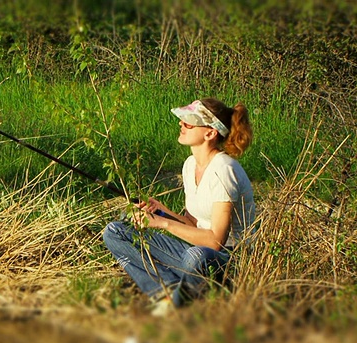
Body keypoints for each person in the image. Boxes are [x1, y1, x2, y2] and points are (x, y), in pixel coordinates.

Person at [102, 98, 255, 314]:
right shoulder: (190, 165)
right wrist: (162, 211)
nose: (181, 124)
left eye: (189, 123)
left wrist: (163, 223)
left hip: (228, 259)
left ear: (210, 133)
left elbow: (215, 242)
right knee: (115, 231)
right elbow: (192, 223)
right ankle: (170, 293)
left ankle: (180, 303)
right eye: (182, 120)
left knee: (195, 257)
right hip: (195, 251)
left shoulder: (224, 170)